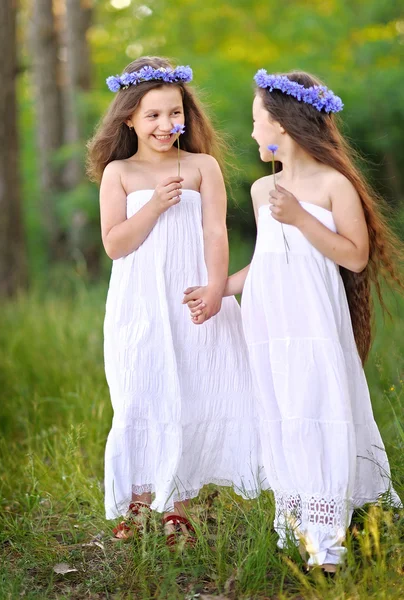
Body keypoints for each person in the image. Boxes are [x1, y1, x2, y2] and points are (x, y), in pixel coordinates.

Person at [185, 69, 402, 570]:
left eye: (257, 120)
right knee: (282, 412)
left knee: (316, 407)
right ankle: (298, 525)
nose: (254, 131)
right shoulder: (265, 191)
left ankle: (327, 545)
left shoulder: (333, 184)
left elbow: (355, 256)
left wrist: (301, 218)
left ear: (282, 124)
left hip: (312, 324)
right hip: (269, 325)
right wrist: (218, 288)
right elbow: (268, 263)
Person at [86, 57, 265, 545]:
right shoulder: (118, 173)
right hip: (140, 301)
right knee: (138, 389)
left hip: (192, 296)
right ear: (129, 119)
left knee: (191, 386)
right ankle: (139, 503)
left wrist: (215, 286)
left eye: (175, 113)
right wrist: (154, 205)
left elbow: (214, 230)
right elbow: (116, 244)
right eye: (153, 116)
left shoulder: (201, 166)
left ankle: (179, 506)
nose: (166, 125)